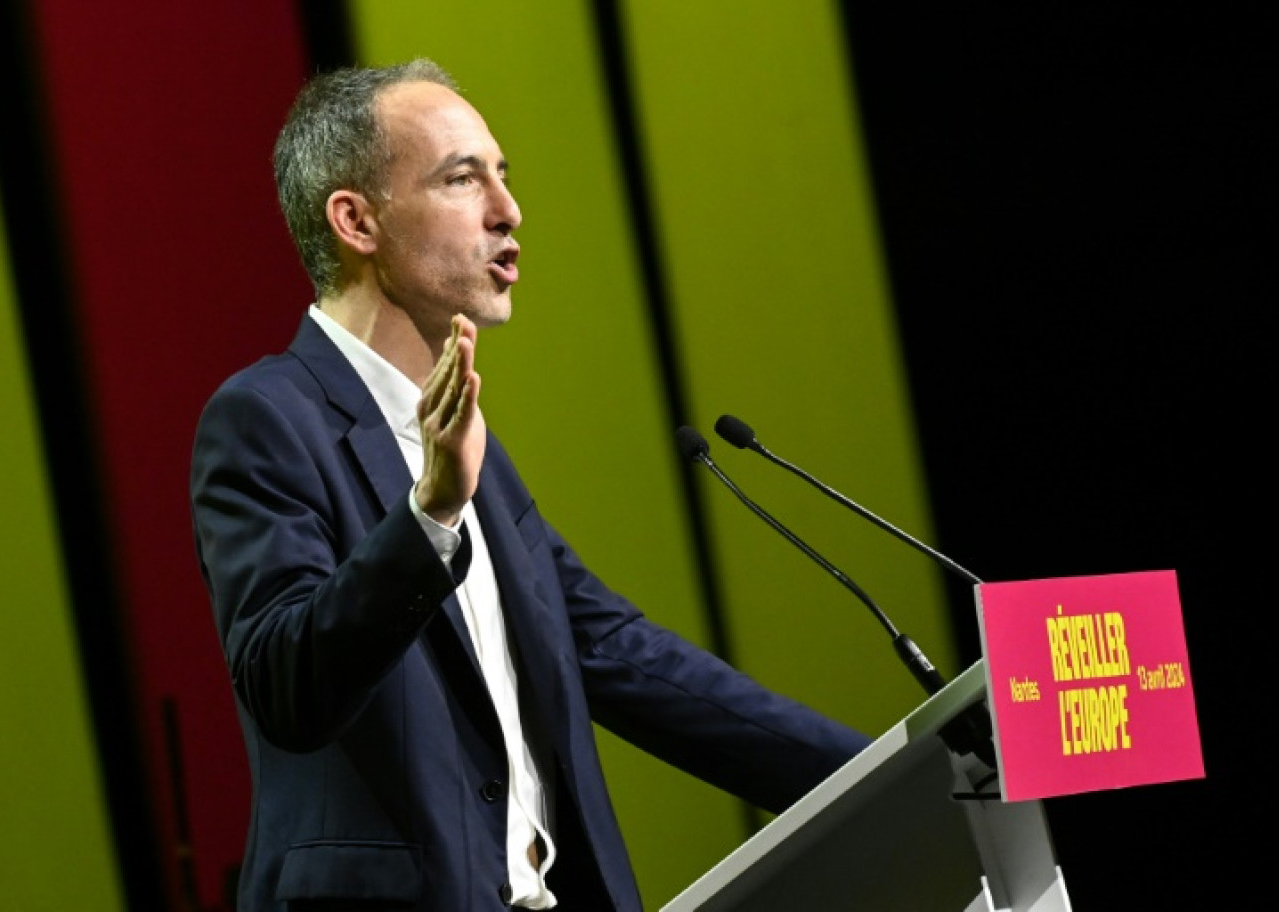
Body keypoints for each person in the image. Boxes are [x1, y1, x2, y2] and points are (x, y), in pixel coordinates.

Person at [189, 58, 871, 912]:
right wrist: (429, 518)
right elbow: (287, 685)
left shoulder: (475, 449)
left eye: (501, 177)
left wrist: (903, 762)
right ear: (357, 220)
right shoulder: (266, 419)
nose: (508, 212)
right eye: (461, 178)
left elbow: (622, 655)